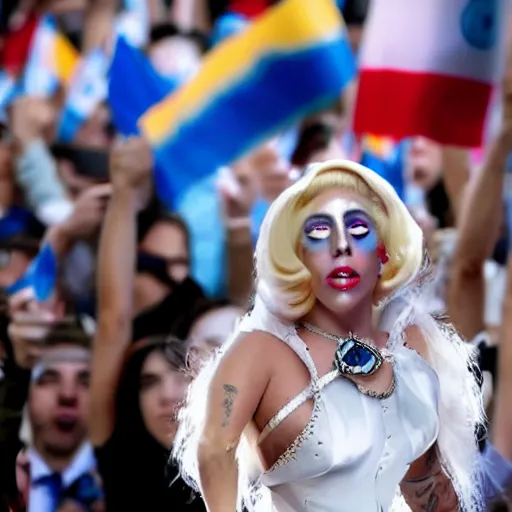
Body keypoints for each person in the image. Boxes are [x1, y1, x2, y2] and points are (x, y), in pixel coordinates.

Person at [174, 159, 485, 512]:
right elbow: (214, 447)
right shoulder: (263, 348)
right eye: (319, 231)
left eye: (358, 228)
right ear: (297, 255)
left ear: (383, 250)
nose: (341, 246)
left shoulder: (410, 348)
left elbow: (427, 489)